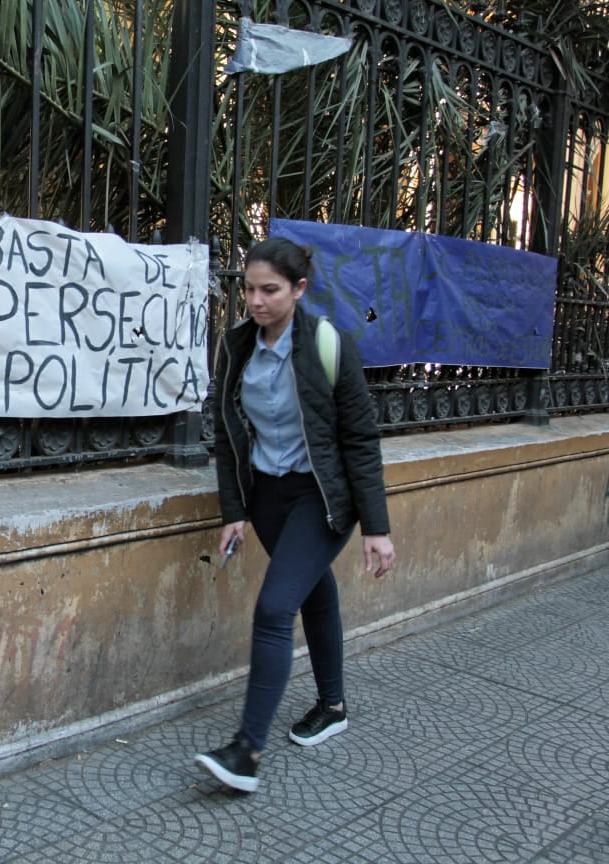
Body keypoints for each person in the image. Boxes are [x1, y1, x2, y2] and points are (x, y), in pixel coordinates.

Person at [194, 236, 395, 794]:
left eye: (270, 290)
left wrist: (376, 527)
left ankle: (246, 751)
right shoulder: (236, 346)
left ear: (299, 290)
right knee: (313, 590)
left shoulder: (328, 344)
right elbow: (230, 437)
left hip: (321, 498)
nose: (255, 301)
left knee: (276, 606)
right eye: (249, 289)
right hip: (267, 496)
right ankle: (333, 705)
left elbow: (360, 439)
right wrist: (234, 510)